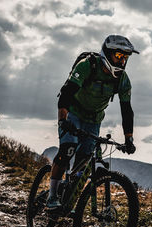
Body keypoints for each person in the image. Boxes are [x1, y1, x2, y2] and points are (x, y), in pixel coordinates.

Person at [47, 35, 139, 209]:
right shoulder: (88, 65)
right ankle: (52, 196)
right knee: (67, 149)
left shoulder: (122, 79)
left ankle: (69, 193)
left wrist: (129, 139)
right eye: (118, 56)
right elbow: (66, 93)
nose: (122, 61)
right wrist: (63, 120)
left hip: (94, 120)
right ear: (107, 53)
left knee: (84, 160)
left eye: (125, 57)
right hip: (72, 114)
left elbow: (127, 110)